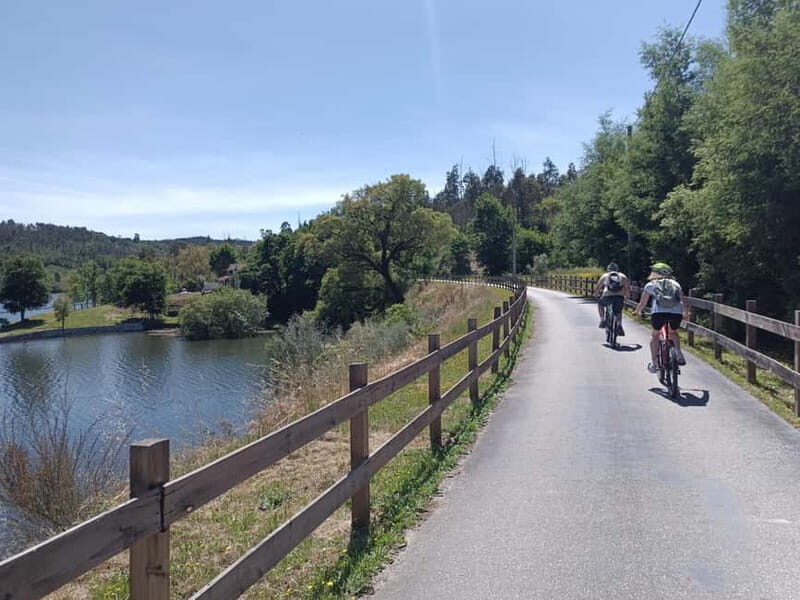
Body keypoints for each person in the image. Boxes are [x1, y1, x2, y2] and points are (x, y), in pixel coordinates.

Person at [634, 262, 689, 373]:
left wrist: (637, 311)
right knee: (673, 333)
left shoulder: (651, 285)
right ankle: (678, 353)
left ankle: (654, 364)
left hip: (658, 313)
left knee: (655, 336)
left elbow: (643, 303)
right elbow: (684, 301)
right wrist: (686, 314)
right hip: (676, 313)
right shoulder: (676, 284)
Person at [594, 262, 630, 336]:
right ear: (617, 269)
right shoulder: (622, 276)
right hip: (619, 297)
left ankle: (602, 320)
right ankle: (619, 324)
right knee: (618, 311)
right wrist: (627, 296)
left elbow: (598, 286)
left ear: (608, 269)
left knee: (600, 304)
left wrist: (596, 294)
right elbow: (627, 288)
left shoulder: (605, 275)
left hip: (607, 296)